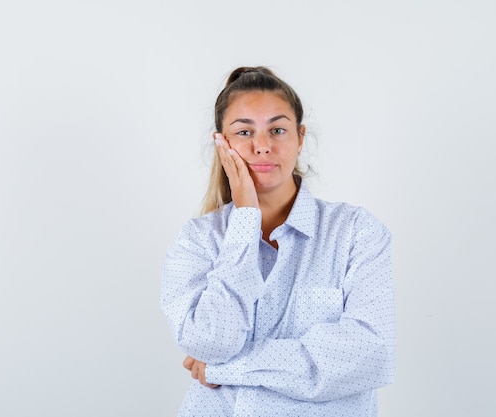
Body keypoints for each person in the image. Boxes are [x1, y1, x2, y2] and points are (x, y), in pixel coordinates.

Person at [161, 66, 396, 417]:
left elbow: (370, 354)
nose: (263, 146)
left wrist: (226, 369)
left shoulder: (356, 232)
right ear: (221, 143)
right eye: (244, 131)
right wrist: (244, 221)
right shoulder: (197, 241)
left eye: (278, 129)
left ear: (300, 137)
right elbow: (211, 341)